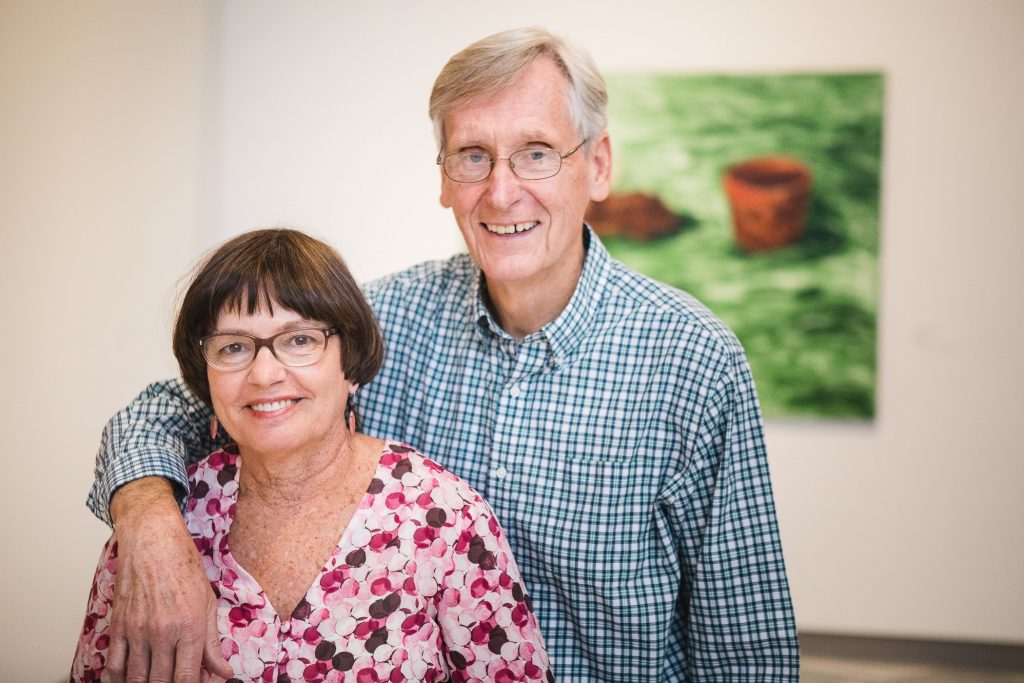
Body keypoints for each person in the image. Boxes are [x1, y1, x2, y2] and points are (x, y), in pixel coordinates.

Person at [87, 27, 799, 681]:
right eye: (472, 156)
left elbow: (746, 644)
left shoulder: (692, 359)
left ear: (600, 165)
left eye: (536, 152)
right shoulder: (381, 322)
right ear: (442, 177)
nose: (500, 190)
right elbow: (188, 399)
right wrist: (149, 520)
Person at [73, 229, 551, 682]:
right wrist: (148, 519)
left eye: (299, 340)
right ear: (206, 379)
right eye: (234, 347)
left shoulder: (443, 519)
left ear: (352, 364)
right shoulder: (157, 529)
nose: (263, 374)